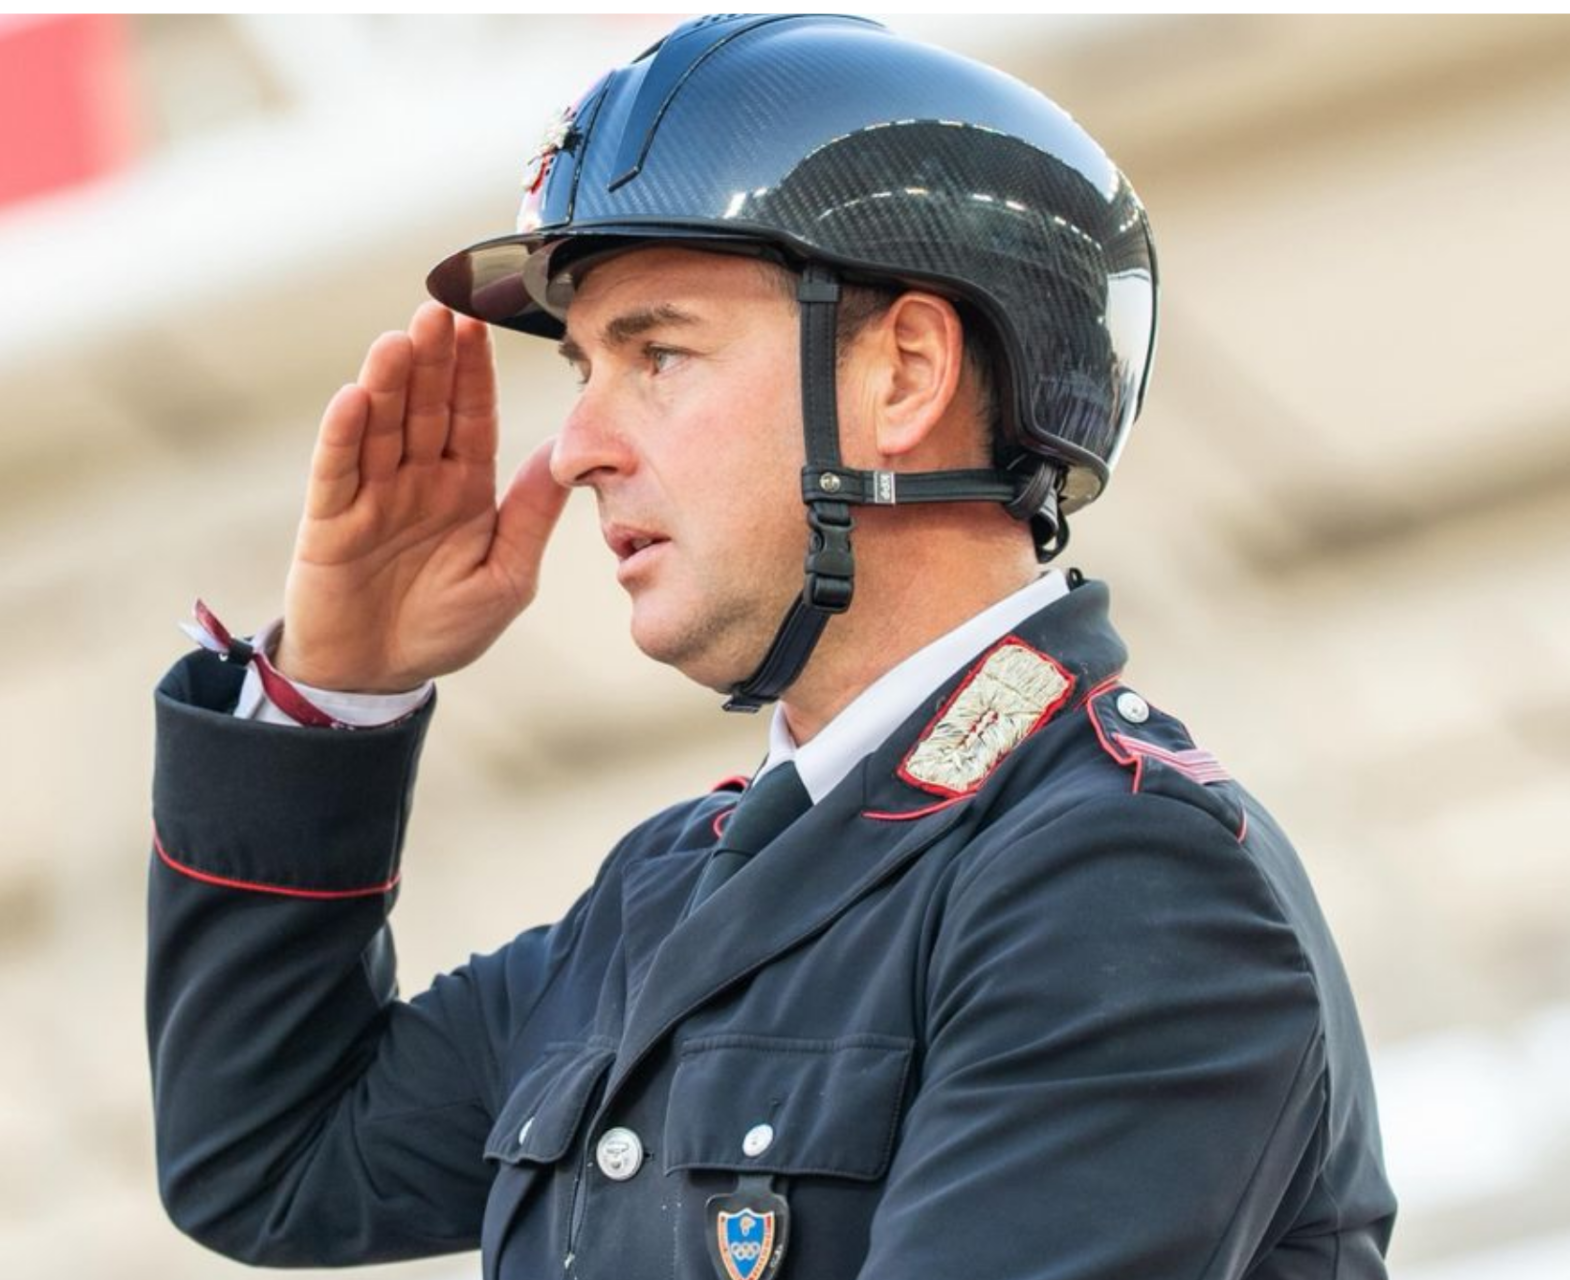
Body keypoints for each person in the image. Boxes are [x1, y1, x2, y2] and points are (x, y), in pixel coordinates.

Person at [147, 14, 1397, 1279]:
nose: (575, 446)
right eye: (583, 365)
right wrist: (330, 688)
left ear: (904, 376)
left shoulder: (1123, 876)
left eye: (658, 354)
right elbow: (271, 1159)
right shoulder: (668, 892)